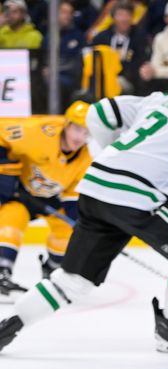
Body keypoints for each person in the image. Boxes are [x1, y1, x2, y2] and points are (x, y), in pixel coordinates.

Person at [0, 72, 168, 354]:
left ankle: (12, 323)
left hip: (95, 187)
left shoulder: (163, 101)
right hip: (136, 200)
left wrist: (119, 159)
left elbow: (100, 113)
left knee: (73, 280)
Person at [0, 101, 91, 300]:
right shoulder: (37, 134)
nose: (80, 137)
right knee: (11, 219)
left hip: (50, 200)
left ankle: (54, 272)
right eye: (76, 129)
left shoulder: (86, 158)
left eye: (86, 133)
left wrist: (80, 226)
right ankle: (2, 273)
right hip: (18, 194)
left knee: (68, 229)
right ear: (66, 124)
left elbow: (72, 199)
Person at [92, 1, 148, 94]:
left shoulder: (139, 36)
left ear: (132, 17)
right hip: (104, 78)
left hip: (130, 78)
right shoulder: (102, 37)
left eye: (127, 15)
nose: (124, 19)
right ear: (113, 18)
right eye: (120, 15)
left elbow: (141, 59)